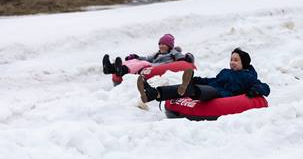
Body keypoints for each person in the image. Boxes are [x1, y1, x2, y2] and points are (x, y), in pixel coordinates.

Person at [136, 48, 270, 103]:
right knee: (189, 86)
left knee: (194, 90)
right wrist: (199, 79)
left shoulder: (248, 77)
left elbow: (264, 87)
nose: (232, 62)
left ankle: (186, 88)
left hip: (222, 95)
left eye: (236, 60)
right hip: (213, 88)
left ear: (244, 63)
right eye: (231, 59)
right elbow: (213, 80)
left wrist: (256, 90)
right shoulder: (225, 72)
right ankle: (152, 93)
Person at [102, 33, 194, 86]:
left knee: (142, 64)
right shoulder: (157, 53)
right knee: (136, 61)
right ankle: (111, 68)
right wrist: (136, 57)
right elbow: (147, 58)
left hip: (156, 67)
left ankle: (122, 70)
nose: (161, 46)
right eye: (160, 44)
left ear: (169, 46)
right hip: (150, 65)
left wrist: (187, 57)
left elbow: (182, 58)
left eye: (164, 44)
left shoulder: (173, 52)